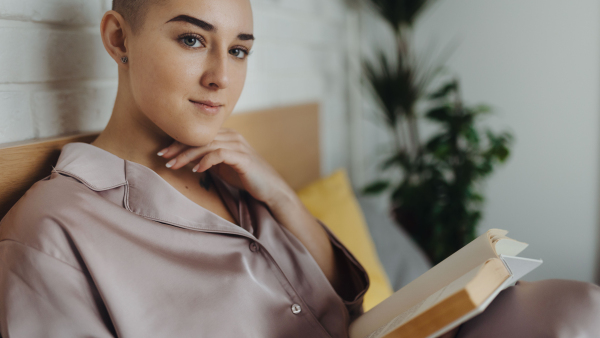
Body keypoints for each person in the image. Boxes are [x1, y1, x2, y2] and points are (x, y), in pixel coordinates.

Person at [0, 0, 599, 337]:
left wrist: (281, 196)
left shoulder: (234, 177)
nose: (221, 76)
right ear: (116, 37)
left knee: (576, 309)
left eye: (238, 50)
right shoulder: (51, 231)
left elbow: (346, 307)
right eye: (191, 40)